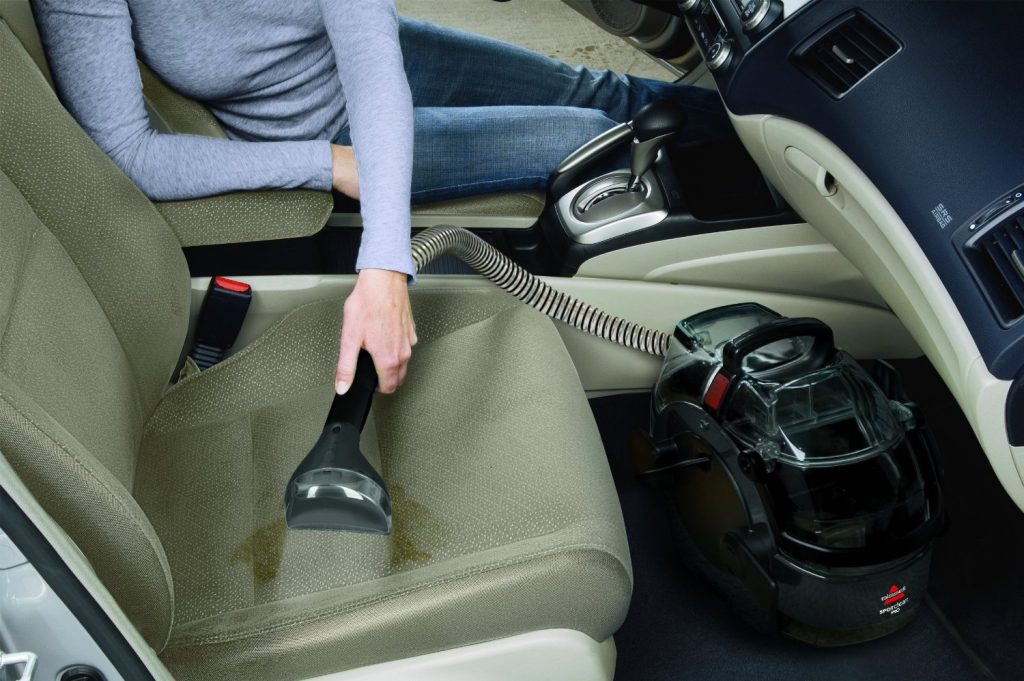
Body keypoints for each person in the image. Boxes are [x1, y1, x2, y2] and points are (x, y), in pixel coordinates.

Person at [31, 0, 732, 395]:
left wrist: (384, 257)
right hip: (315, 130)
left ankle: (766, 138)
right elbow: (128, 151)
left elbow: (372, 63)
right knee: (593, 133)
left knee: (599, 90)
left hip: (373, 63)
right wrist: (326, 167)